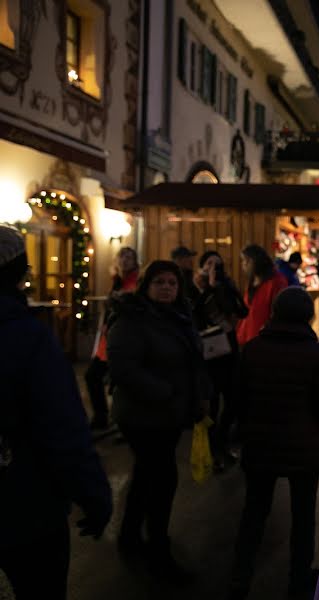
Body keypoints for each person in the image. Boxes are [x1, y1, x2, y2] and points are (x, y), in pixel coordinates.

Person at [0, 225, 112, 600]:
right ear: (20, 273)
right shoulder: (29, 338)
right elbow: (61, 428)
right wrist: (93, 494)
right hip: (24, 503)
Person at [230, 288, 319, 600]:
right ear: (308, 315)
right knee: (303, 517)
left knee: (254, 513)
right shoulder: (315, 353)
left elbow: (238, 397)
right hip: (303, 446)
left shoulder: (253, 350)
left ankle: (240, 578)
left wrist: (247, 429)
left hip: (260, 444)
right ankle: (298, 580)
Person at [107, 260, 209, 583]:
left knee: (146, 475)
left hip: (166, 413)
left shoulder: (178, 316)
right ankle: (158, 556)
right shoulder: (133, 318)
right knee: (161, 481)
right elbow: (124, 368)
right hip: (144, 415)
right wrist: (166, 392)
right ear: (146, 286)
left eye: (172, 283)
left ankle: (130, 537)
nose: (166, 288)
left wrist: (198, 395)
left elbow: (191, 360)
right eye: (160, 282)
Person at [192, 250, 248, 471]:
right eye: (209, 264)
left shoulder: (227, 285)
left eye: (218, 264)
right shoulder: (197, 287)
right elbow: (197, 314)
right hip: (209, 352)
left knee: (233, 401)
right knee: (212, 404)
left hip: (229, 349)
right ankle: (214, 451)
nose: (214, 268)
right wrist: (211, 288)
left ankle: (221, 441)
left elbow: (242, 310)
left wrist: (224, 287)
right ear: (202, 267)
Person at [84, 246, 139, 430]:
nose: (125, 260)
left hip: (124, 341)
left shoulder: (136, 282)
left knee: (119, 382)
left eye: (129, 257)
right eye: (122, 256)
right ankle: (103, 417)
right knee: (94, 376)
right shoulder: (117, 281)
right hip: (109, 340)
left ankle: (121, 421)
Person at [236, 244, 288, 347]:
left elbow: (279, 314)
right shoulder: (253, 280)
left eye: (246, 261)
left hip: (265, 343)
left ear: (256, 261)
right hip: (246, 340)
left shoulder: (276, 282)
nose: (244, 265)